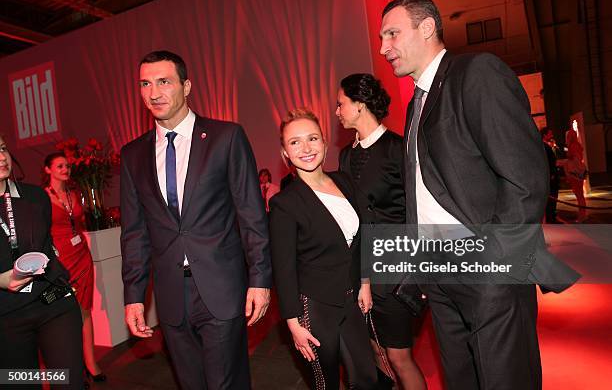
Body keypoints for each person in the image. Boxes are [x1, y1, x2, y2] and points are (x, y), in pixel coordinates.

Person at [379, 0, 580, 390]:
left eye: (392, 33)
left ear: (426, 28)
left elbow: (525, 178)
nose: (384, 47)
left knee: (506, 379)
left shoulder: (476, 73)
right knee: (462, 380)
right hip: (439, 272)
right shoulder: (416, 102)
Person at [120, 50, 272, 389]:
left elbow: (251, 214)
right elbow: (134, 233)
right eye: (145, 84)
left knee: (225, 383)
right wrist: (133, 295)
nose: (154, 93)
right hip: (172, 295)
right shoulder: (132, 156)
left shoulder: (226, 137)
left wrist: (260, 280)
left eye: (164, 82)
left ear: (186, 86)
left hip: (221, 287)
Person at [269, 108, 379, 389]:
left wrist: (365, 282)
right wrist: (293, 324)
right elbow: (283, 269)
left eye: (312, 138)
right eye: (295, 142)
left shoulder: (343, 181)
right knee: (325, 382)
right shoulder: (285, 204)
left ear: (325, 142)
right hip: (313, 308)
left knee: (366, 377)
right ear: (285, 152)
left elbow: (362, 237)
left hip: (352, 298)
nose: (306, 148)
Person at [336, 73, 426, 389]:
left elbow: (418, 214)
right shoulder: (346, 155)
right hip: (359, 273)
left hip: (395, 270)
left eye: (341, 104)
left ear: (360, 105)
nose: (337, 112)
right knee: (374, 352)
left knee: (400, 357)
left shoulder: (397, 149)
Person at [0, 135, 84, 390]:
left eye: (2, 148)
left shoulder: (35, 196)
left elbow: (47, 247)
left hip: (53, 304)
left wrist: (64, 280)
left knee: (67, 382)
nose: (2, 157)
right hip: (6, 318)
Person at [43, 152, 105, 382]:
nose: (65, 169)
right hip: (61, 260)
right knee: (66, 316)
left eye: (67, 166)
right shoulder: (41, 197)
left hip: (82, 256)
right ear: (48, 170)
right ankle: (74, 369)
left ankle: (91, 362)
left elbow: (78, 223)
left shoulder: (74, 193)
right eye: (59, 166)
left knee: (85, 311)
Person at [563, 129, 588, 223]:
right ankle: (582, 214)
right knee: (580, 195)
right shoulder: (577, 145)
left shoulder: (573, 146)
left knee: (579, 195)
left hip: (576, 173)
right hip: (580, 172)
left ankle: (582, 216)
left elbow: (572, 158)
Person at [540, 127, 560, 223]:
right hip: (550, 176)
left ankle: (551, 216)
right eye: (550, 134)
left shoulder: (549, 145)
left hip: (551, 175)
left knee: (553, 198)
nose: (552, 135)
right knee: (551, 197)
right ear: (545, 135)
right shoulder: (544, 146)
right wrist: (551, 174)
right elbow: (549, 162)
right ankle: (550, 217)